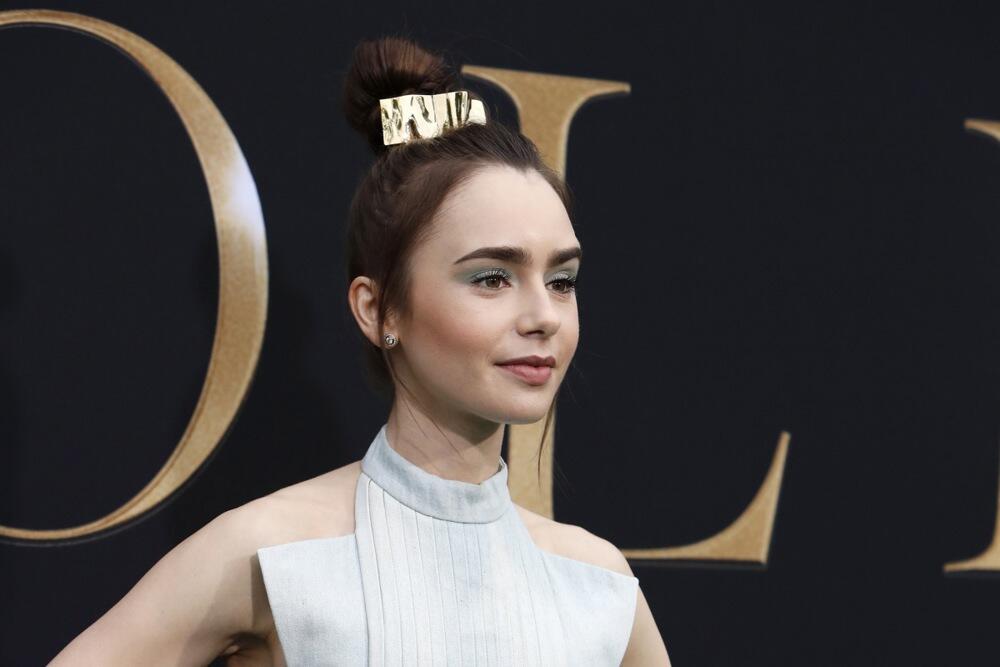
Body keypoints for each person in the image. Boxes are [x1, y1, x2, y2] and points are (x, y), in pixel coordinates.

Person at [50, 36, 670, 666]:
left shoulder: (599, 589)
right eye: (491, 278)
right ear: (378, 310)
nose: (543, 317)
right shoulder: (274, 554)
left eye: (561, 281)